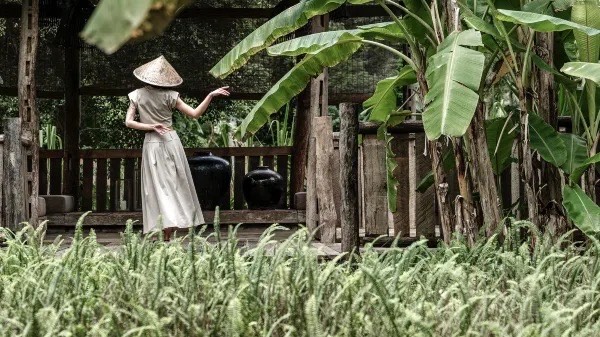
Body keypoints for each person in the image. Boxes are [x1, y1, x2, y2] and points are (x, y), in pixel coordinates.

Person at [125, 55, 230, 241]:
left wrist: (150, 127)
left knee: (158, 188)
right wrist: (210, 95)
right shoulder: (170, 96)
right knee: (174, 186)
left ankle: (166, 233)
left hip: (152, 143)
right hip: (170, 141)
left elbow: (129, 122)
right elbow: (195, 114)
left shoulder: (137, 95)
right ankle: (168, 232)